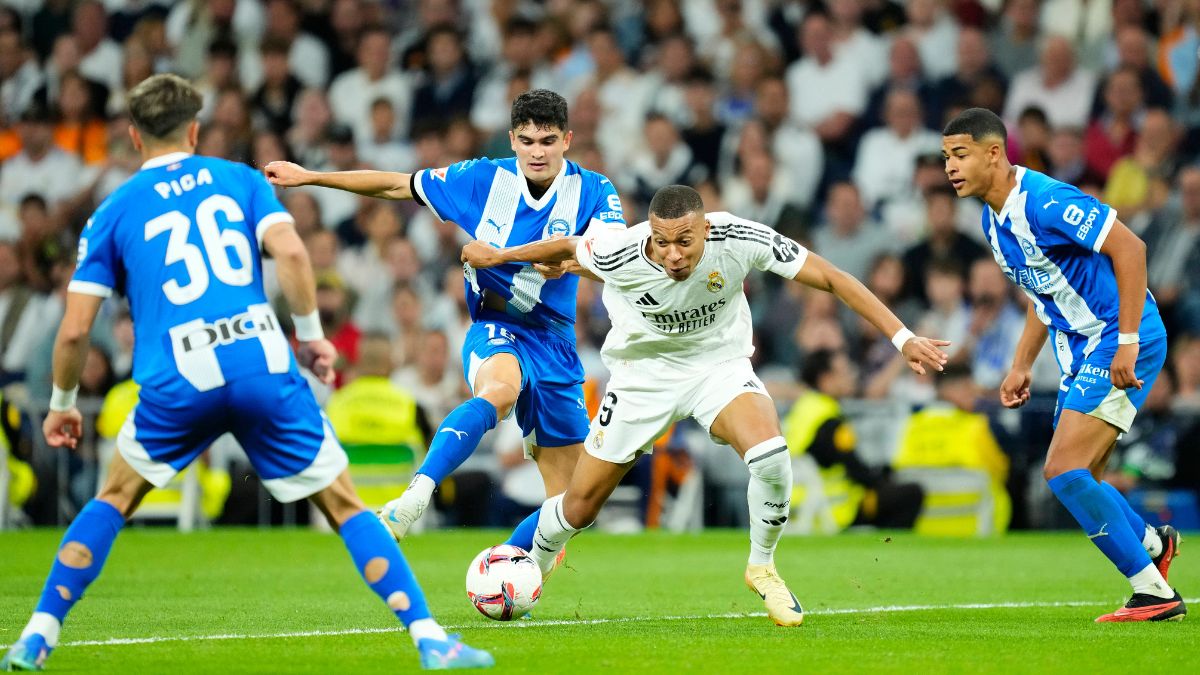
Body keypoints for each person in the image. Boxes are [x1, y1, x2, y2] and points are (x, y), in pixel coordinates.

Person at [0, 74, 492, 671]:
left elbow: (76, 329)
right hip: (259, 359)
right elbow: (292, 252)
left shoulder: (112, 211)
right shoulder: (238, 179)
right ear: (194, 131)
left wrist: (61, 404)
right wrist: (311, 337)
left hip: (178, 373)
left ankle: (37, 636)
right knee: (345, 505)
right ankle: (430, 639)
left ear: (133, 136)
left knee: (114, 497)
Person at [460, 184, 949, 627]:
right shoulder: (619, 250)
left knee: (771, 456)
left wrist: (901, 337)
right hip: (642, 378)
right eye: (662, 242)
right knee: (579, 506)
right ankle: (533, 566)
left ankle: (762, 566)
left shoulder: (739, 237)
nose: (672, 254)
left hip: (718, 366)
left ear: (706, 230)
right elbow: (569, 247)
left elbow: (831, 277)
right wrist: (500, 256)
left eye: (684, 242)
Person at [264, 90, 625, 551]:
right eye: (528, 141)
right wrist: (312, 177)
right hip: (498, 326)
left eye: (548, 141)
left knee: (573, 506)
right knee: (500, 391)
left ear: (567, 140)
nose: (537, 152)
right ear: (512, 140)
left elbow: (613, 261)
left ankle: (516, 568)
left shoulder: (595, 190)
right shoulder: (481, 179)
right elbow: (397, 185)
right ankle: (415, 496)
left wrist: (567, 263)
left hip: (555, 343)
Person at [941, 107, 1184, 622]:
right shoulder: (992, 220)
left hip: (1117, 338)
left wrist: (1127, 341)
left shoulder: (1046, 201)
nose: (950, 168)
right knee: (1085, 475)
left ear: (993, 153)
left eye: (960, 154)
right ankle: (1152, 542)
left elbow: (1131, 249)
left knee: (1063, 470)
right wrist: (1021, 363)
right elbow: (1043, 293)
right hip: (1081, 349)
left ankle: (1153, 592)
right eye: (946, 158)